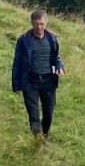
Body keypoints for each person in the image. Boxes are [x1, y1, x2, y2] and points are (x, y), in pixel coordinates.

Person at [12, 9, 63, 141]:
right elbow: (17, 62)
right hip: (30, 82)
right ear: (32, 23)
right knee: (34, 115)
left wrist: (59, 67)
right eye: (36, 24)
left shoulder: (52, 38)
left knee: (48, 115)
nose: (39, 27)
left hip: (48, 82)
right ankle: (39, 142)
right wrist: (16, 84)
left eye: (41, 24)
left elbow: (56, 58)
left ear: (46, 23)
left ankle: (44, 136)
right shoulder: (23, 40)